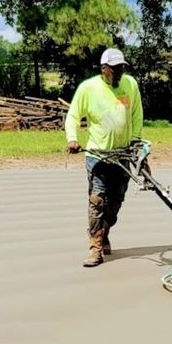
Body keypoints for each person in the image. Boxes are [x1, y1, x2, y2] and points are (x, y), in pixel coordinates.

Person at [65, 48, 144, 267]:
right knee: (97, 201)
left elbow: (137, 113)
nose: (119, 72)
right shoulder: (88, 88)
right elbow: (72, 116)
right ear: (104, 69)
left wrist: (136, 139)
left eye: (122, 68)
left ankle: (104, 231)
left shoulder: (130, 85)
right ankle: (95, 249)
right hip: (97, 156)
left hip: (122, 155)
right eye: (115, 69)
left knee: (115, 202)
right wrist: (72, 138)